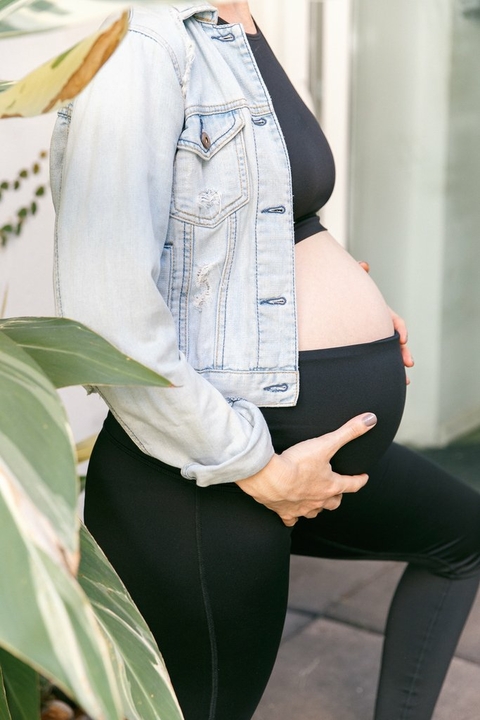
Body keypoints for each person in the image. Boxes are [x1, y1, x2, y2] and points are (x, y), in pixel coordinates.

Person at [50, 2, 480, 719]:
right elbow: (107, 310)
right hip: (216, 466)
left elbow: (256, 218)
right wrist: (258, 468)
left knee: (458, 537)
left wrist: (353, 299)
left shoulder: (237, 22)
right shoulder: (143, 43)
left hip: (293, 445)